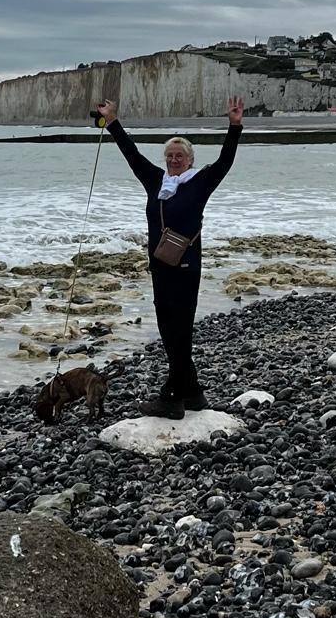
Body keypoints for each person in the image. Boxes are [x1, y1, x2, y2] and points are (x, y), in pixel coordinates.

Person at [95, 95, 244, 417]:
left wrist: (234, 126)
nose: (174, 160)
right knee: (170, 331)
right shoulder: (157, 182)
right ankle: (194, 395)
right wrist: (112, 121)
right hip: (161, 266)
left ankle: (171, 398)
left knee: (179, 332)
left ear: (190, 160)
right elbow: (132, 154)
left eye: (180, 156)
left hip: (186, 267)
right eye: (170, 156)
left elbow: (225, 161)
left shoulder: (200, 182)